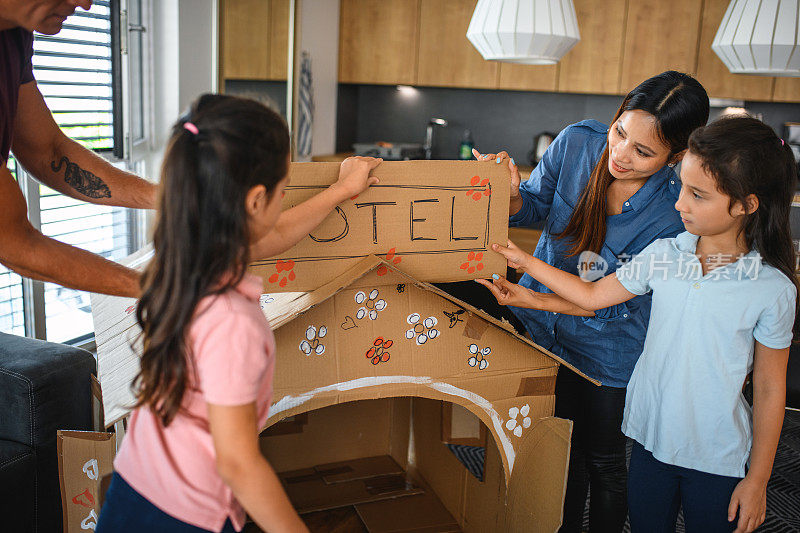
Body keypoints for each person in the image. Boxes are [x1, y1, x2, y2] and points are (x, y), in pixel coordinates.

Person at [480, 115, 797, 533]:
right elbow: (593, 295)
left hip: (718, 457)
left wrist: (757, 481)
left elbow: (772, 390)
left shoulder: (771, 289)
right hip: (647, 443)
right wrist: (526, 278)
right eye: (682, 187)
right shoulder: (664, 254)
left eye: (698, 195)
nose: (680, 203)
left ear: (745, 205)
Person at [95, 94, 382, 532]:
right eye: (283, 191)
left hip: (137, 484)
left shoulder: (186, 258)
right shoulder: (231, 320)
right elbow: (238, 463)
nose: (283, 201)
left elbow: (277, 231)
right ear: (254, 201)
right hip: (187, 515)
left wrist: (341, 191)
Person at [471, 71, 709, 532]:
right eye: (620, 132)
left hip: (608, 350)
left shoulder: (675, 212)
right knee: (556, 455)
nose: (620, 154)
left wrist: (534, 297)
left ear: (676, 156)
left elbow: (611, 302)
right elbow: (535, 207)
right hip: (540, 333)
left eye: (643, 152)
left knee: (603, 463)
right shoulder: (578, 142)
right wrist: (514, 193)